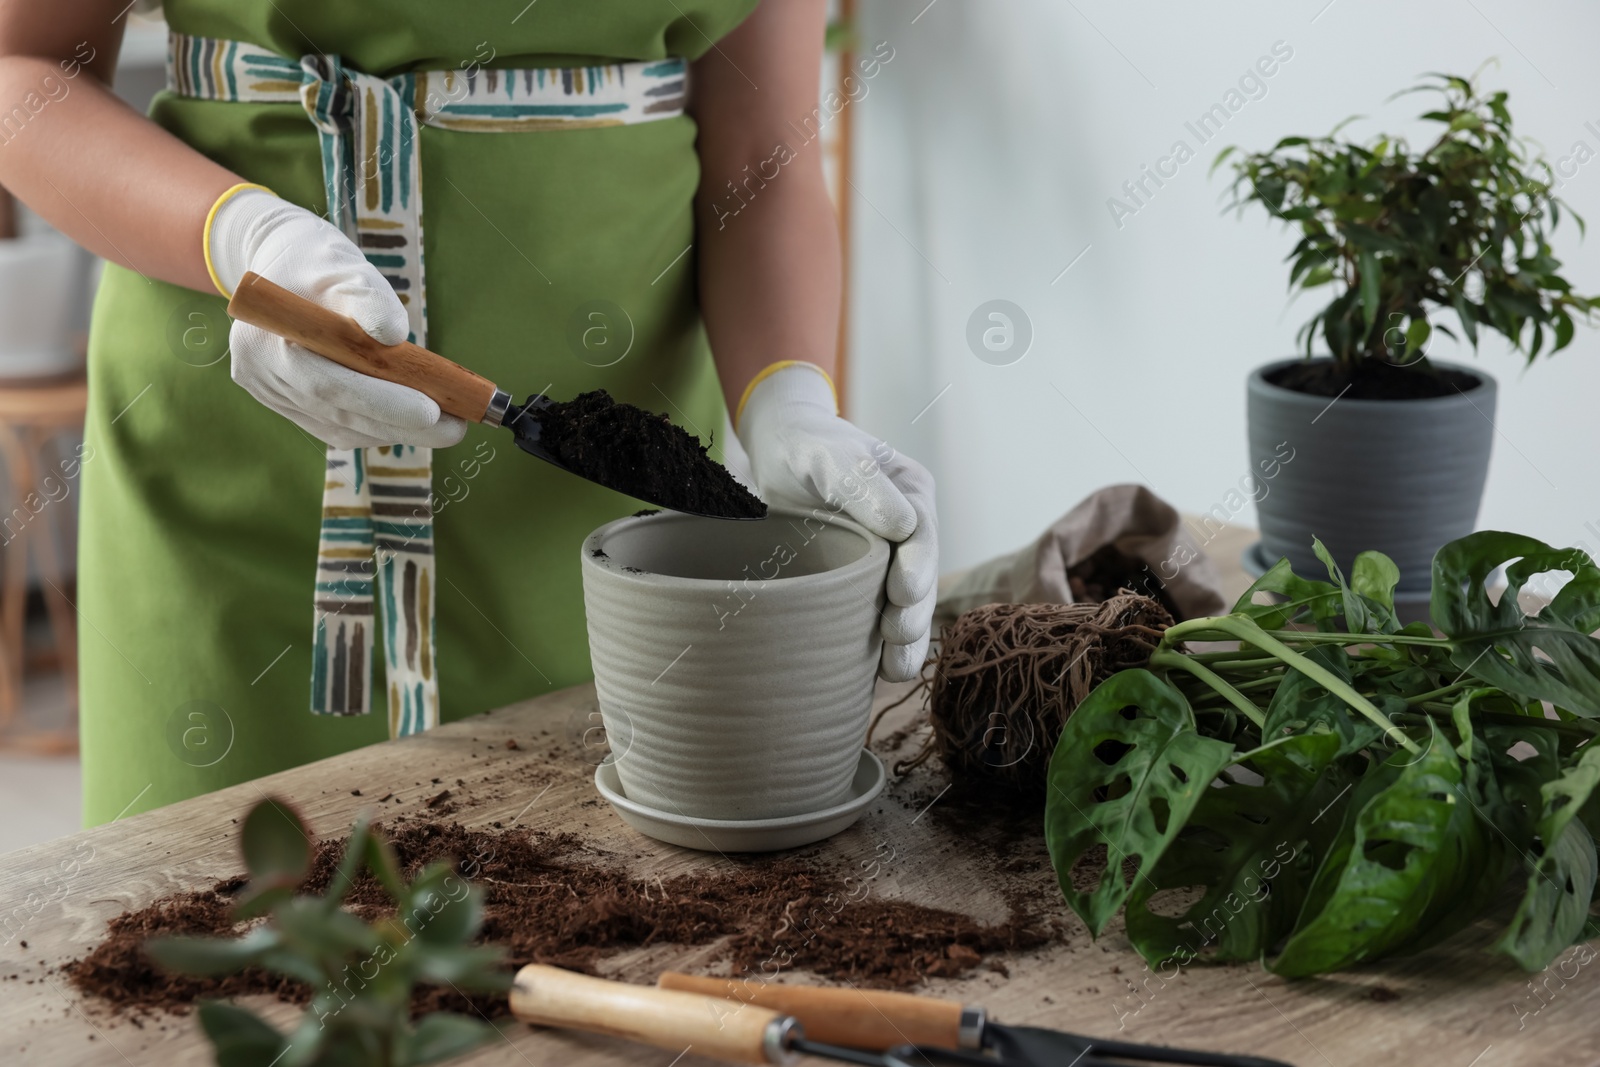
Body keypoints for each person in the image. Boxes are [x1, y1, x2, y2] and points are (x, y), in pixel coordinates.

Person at [0, 0, 938, 824]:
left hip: (602, 516)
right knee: (228, 967)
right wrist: (246, 239)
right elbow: (22, 75)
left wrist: (786, 397)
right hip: (242, 465)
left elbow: (762, 154)